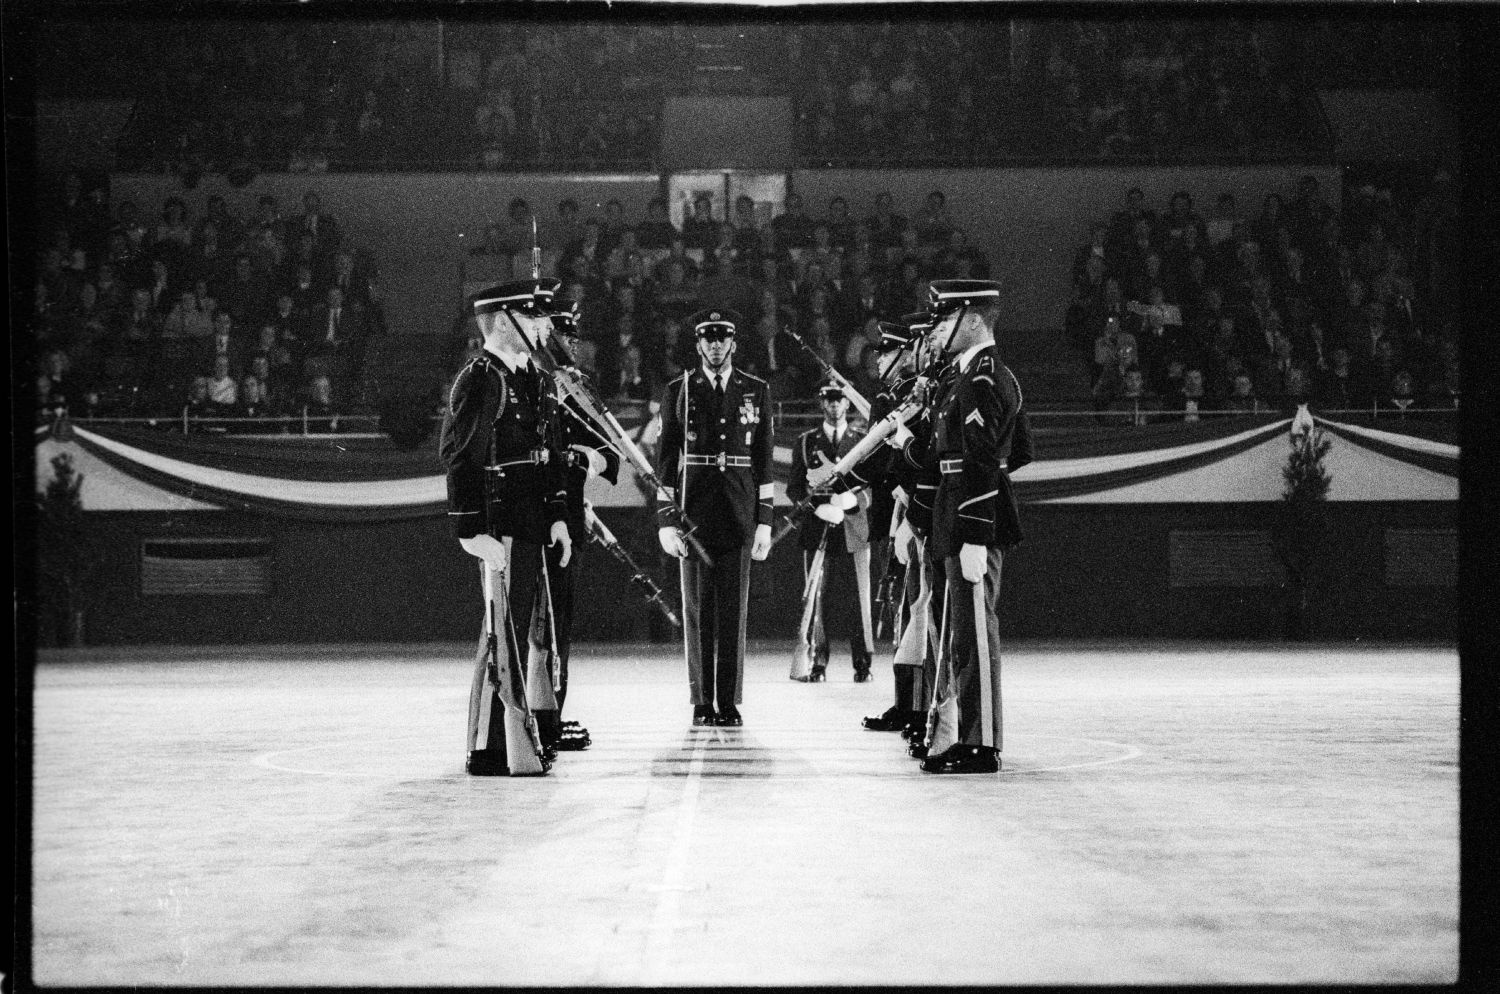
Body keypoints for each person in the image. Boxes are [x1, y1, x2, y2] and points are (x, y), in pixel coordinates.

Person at [439, 278, 574, 777]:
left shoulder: (534, 378)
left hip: (534, 520)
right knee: (504, 634)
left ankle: (523, 734)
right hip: (502, 523)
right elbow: (458, 453)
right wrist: (469, 529)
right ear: (502, 321)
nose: (543, 326)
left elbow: (552, 455)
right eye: (532, 317)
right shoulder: (481, 378)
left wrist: (559, 516)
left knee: (529, 630)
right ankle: (491, 746)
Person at [916, 279, 1031, 774]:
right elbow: (1019, 452)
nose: (939, 328)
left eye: (947, 319)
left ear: (975, 320)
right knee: (962, 634)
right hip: (956, 508)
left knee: (976, 634)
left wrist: (977, 533)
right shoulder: (963, 377)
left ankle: (983, 743)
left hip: (970, 516)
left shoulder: (982, 378)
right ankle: (966, 734)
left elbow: (987, 461)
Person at [655, 308, 775, 727]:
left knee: (733, 612)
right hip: (695, 513)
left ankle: (730, 699)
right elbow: (667, 457)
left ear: (734, 344)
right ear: (699, 345)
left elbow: (763, 460)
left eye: (722, 338)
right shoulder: (681, 389)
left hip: (739, 511)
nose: (715, 345)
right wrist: (666, 519)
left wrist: (765, 520)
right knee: (697, 610)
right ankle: (702, 700)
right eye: (708, 339)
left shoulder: (755, 390)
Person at [529, 301, 621, 753]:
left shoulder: (582, 393)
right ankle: (532, 713)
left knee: (560, 623)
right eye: (561, 337)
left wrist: (582, 457)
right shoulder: (530, 386)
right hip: (532, 518)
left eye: (573, 338)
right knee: (531, 624)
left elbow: (613, 459)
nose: (569, 346)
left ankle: (553, 712)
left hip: (569, 519)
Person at [786, 382, 875, 683]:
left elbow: (873, 487)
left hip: (852, 529)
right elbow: (795, 488)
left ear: (848, 405)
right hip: (818, 527)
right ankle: (816, 661)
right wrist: (816, 509)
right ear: (822, 405)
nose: (835, 406)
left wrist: (855, 501)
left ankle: (863, 663)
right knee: (817, 598)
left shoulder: (863, 441)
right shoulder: (805, 442)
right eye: (829, 401)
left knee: (858, 598)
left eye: (839, 401)